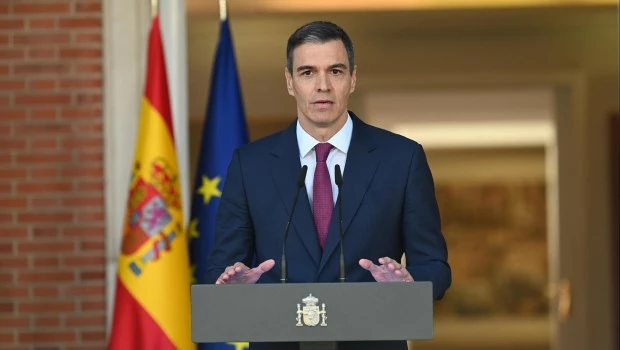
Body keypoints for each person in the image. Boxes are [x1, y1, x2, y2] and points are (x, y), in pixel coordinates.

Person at [205, 21, 451, 350]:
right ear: (290, 82)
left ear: (352, 78)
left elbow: (435, 266)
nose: (322, 86)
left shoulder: (401, 159)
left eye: (335, 71)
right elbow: (219, 269)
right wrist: (232, 284)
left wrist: (410, 283)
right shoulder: (251, 164)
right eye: (307, 72)